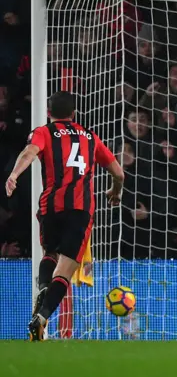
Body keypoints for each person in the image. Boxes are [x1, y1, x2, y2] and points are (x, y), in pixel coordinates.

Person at [4, 91, 124, 341]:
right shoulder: (90, 136)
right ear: (74, 114)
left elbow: (29, 152)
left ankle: (44, 288)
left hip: (51, 206)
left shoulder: (44, 132)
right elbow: (119, 173)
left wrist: (14, 175)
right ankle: (43, 316)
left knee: (50, 253)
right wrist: (115, 191)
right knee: (66, 268)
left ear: (49, 114)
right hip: (81, 210)